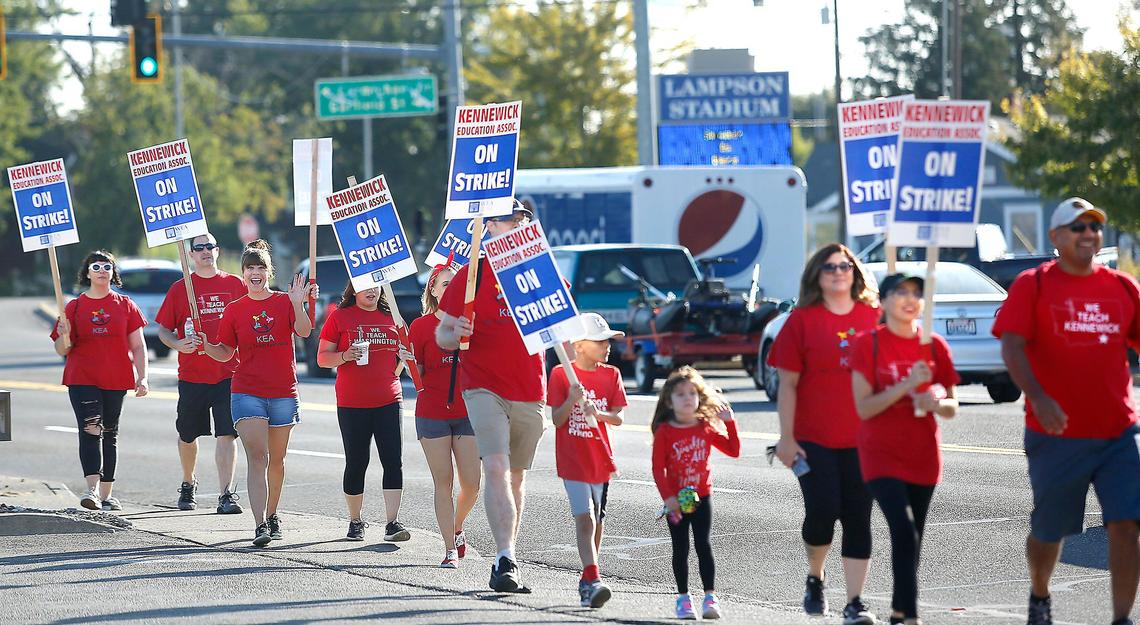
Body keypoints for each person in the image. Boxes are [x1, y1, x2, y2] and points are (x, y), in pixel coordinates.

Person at [992, 198, 1140, 625]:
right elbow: (1012, 345)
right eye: (1076, 227)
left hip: (1117, 431)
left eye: (1093, 227)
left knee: (1127, 524)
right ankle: (1040, 593)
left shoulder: (1122, 287)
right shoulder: (1033, 285)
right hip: (1056, 433)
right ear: (1055, 238)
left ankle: (1122, 618)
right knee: (1050, 530)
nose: (1087, 234)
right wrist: (1038, 397)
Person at [435, 199, 546, 592]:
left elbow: (560, 325)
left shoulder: (539, 271)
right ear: (488, 227)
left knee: (516, 476)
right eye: (506, 220)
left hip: (530, 388)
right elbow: (443, 335)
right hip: (482, 385)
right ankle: (506, 559)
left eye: (520, 220)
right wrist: (458, 329)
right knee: (495, 467)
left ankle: (509, 548)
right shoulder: (471, 276)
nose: (515, 225)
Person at [767, 243, 879, 623]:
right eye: (829, 266)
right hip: (813, 438)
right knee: (823, 510)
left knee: (858, 516)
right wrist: (786, 437)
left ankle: (855, 602)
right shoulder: (802, 321)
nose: (837, 271)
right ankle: (815, 575)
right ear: (817, 274)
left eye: (844, 265)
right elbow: (788, 385)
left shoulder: (875, 317)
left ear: (855, 271)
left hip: (865, 439)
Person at [849, 273, 960, 625]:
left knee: (913, 538)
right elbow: (864, 408)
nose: (910, 299)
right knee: (903, 529)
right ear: (884, 301)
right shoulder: (868, 344)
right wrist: (907, 385)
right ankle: (910, 616)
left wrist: (936, 401)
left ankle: (898, 610)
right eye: (901, 292)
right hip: (880, 454)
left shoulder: (934, 345)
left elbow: (952, 405)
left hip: (923, 454)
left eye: (916, 293)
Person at [202, 239, 317, 547]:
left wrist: (297, 303)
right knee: (258, 456)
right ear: (242, 273)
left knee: (276, 460)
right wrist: (205, 345)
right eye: (250, 268)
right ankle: (260, 524)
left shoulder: (284, 301)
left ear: (269, 271)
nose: (256, 273)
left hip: (282, 391)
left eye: (261, 267)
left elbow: (305, 331)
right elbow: (225, 352)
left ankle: (273, 513)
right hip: (246, 390)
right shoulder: (234, 310)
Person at [155, 233, 246, 514]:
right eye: (200, 248)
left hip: (228, 372)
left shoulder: (235, 284)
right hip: (192, 374)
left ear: (217, 250)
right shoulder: (181, 288)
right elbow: (163, 331)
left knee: (227, 434)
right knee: (187, 434)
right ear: (191, 254)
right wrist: (178, 343)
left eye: (210, 246)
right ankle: (188, 481)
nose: (206, 251)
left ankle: (226, 494)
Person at [51, 250, 149, 511]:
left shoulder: (126, 305)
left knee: (109, 432)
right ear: (88, 273)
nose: (102, 270)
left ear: (112, 272)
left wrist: (143, 377)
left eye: (107, 266)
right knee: (90, 428)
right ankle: (91, 491)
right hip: (82, 377)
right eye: (96, 266)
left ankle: (107, 494)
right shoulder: (73, 307)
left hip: (116, 378)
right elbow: (62, 350)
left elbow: (138, 346)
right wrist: (64, 334)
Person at [316, 282, 412, 544]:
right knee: (357, 462)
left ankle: (392, 523)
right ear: (353, 290)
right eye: (365, 287)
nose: (372, 291)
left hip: (389, 399)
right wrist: (345, 355)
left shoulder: (392, 316)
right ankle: (355, 521)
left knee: (393, 460)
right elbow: (322, 358)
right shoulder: (340, 316)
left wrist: (405, 356)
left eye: (376, 286)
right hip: (352, 402)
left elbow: (407, 356)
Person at [547, 312, 627, 609]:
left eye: (608, 341)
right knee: (586, 517)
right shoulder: (560, 374)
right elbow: (556, 420)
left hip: (601, 459)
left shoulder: (612, 375)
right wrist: (571, 399)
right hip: (573, 459)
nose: (607, 346)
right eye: (600, 341)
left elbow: (618, 417)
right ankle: (593, 576)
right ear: (579, 345)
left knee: (599, 521)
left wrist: (598, 414)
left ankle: (588, 577)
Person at [651, 366, 740, 620]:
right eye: (681, 394)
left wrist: (729, 423)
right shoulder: (665, 431)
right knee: (681, 548)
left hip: (702, 496)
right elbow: (658, 469)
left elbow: (733, 450)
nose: (687, 398)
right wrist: (669, 499)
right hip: (677, 500)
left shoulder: (704, 427)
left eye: (692, 393)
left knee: (703, 544)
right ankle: (683, 599)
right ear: (670, 401)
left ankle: (710, 598)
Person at [409, 260, 480, 568]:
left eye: (457, 284)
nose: (451, 288)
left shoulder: (472, 322)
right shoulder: (421, 326)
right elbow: (419, 378)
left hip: (468, 412)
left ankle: (457, 525)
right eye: (445, 284)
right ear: (434, 292)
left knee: (472, 484)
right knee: (444, 482)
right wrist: (408, 363)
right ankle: (450, 548)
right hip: (433, 413)